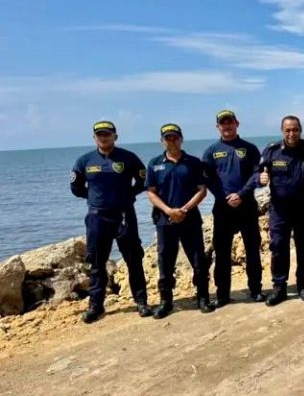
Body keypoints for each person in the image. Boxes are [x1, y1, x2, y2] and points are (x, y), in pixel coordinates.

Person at [70, 121, 152, 323]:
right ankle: (95, 306)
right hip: (97, 217)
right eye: (100, 134)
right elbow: (76, 188)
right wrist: (95, 197)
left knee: (134, 259)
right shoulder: (84, 161)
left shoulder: (128, 157)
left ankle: (141, 302)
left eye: (107, 134)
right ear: (94, 138)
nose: (104, 137)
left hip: (124, 215)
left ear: (115, 136)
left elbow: (143, 180)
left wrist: (128, 194)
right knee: (97, 263)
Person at [145, 124, 213, 318]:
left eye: (175, 137)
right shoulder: (154, 164)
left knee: (198, 259)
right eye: (168, 138)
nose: (172, 141)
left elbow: (202, 190)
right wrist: (169, 211)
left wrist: (184, 209)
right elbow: (151, 193)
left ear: (181, 139)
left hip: (190, 218)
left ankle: (203, 297)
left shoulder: (193, 162)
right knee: (165, 261)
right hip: (164, 220)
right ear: (162, 141)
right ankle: (166, 301)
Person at [203, 109, 265, 307]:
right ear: (217, 127)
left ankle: (256, 290)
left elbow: (256, 175)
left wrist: (241, 194)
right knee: (222, 252)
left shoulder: (250, 148)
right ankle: (222, 295)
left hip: (247, 205)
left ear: (237, 123)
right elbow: (208, 179)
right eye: (223, 123)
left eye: (230, 122)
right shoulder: (211, 151)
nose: (227, 126)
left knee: (252, 249)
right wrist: (224, 198)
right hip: (223, 208)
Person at [259, 116, 304, 306]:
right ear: (282, 131)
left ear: (300, 130)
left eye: (295, 129)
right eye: (287, 130)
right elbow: (258, 172)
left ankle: (303, 285)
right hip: (279, 208)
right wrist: (260, 179)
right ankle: (279, 287)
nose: (291, 133)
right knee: (278, 246)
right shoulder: (272, 151)